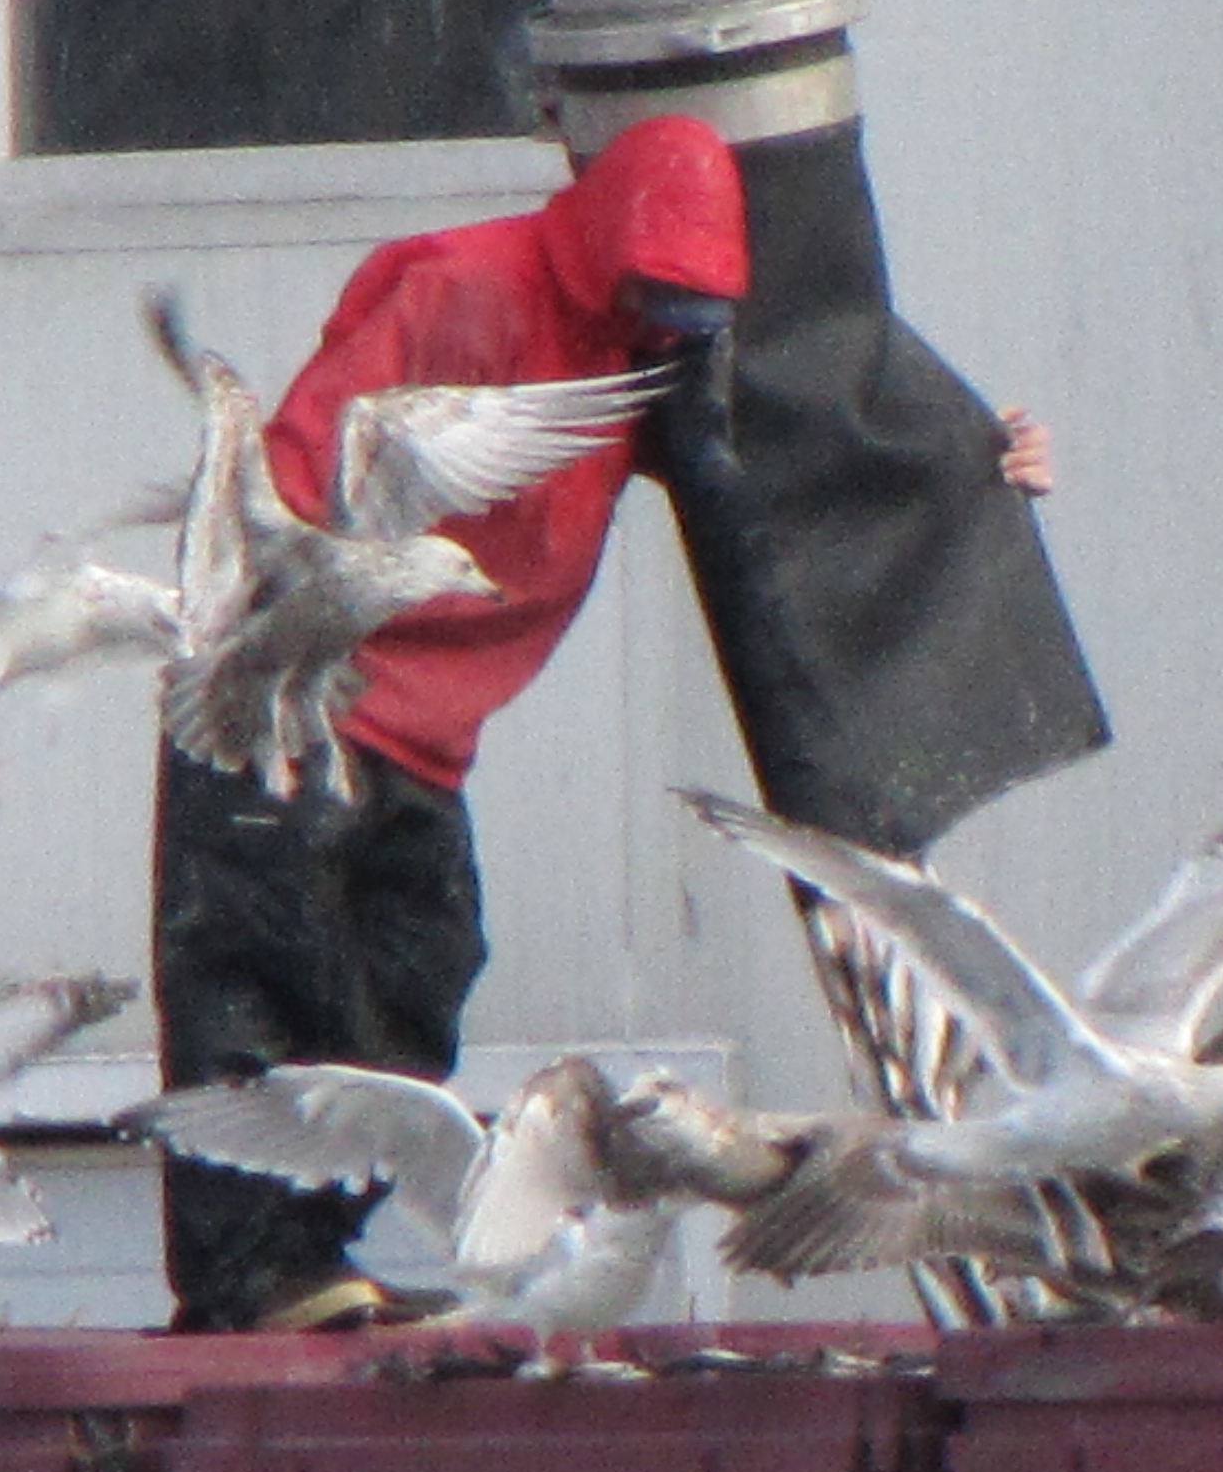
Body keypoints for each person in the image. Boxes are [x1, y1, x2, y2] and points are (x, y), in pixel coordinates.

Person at [151, 115, 1055, 1333]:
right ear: (605, 252)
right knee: (263, 981)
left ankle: (306, 1266)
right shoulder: (465, 292)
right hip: (290, 710)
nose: (668, 329)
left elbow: (789, 469)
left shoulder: (645, 346)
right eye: (653, 299)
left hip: (423, 738)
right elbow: (293, 479)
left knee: (411, 982)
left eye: (689, 309)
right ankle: (245, 1283)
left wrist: (969, 457)